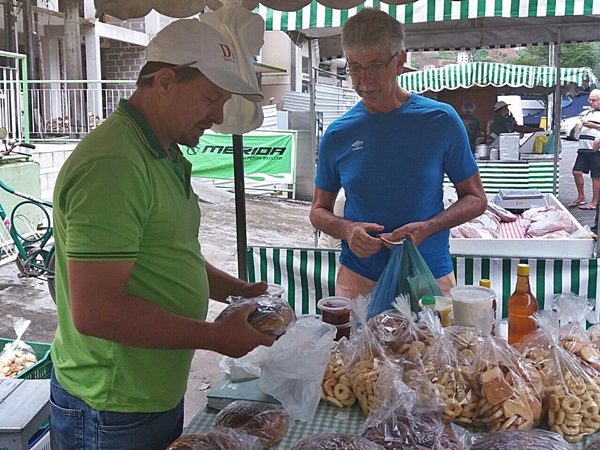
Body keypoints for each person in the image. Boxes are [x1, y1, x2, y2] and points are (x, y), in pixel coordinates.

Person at [49, 19, 276, 450]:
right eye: (211, 98)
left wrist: (238, 290)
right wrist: (214, 337)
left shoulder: (162, 148)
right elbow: (96, 312)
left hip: (148, 392)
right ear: (166, 81)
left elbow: (171, 253)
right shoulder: (114, 165)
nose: (218, 115)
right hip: (111, 404)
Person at [309, 8, 488, 300]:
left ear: (400, 61)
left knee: (432, 346)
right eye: (355, 67)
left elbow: (476, 198)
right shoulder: (338, 133)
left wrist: (428, 228)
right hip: (359, 278)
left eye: (375, 66)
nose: (364, 81)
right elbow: (318, 210)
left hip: (428, 273)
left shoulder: (440, 121)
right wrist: (347, 229)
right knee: (356, 347)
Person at [568, 89, 600, 211]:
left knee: (596, 176)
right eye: (590, 100)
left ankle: (594, 202)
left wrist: (595, 126)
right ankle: (581, 197)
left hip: (595, 149)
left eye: (594, 100)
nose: (591, 102)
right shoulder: (589, 112)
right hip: (583, 148)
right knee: (577, 171)